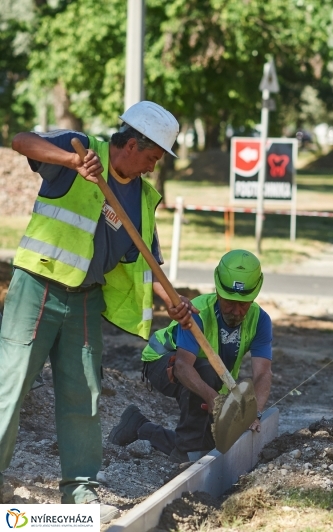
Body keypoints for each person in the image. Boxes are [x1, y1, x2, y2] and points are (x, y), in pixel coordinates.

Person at [1, 101, 193, 521]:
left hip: (86, 298)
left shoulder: (142, 199)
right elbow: (21, 141)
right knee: (11, 383)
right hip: (39, 287)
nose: (152, 167)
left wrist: (174, 304)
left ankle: (80, 491)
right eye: (152, 157)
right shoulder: (83, 149)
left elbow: (148, 260)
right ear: (131, 144)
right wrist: (72, 160)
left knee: (84, 394)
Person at [108, 250, 273, 465]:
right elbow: (183, 367)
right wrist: (214, 398)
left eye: (244, 303)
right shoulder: (198, 312)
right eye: (229, 302)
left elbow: (262, 373)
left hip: (207, 377)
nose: (236, 310)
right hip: (163, 362)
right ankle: (186, 451)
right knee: (205, 374)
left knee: (212, 446)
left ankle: (140, 427)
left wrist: (256, 412)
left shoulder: (260, 320)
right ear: (218, 290)